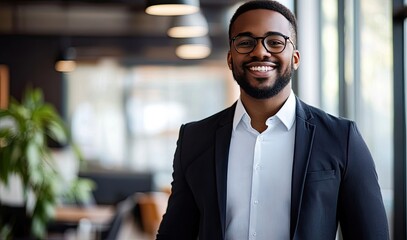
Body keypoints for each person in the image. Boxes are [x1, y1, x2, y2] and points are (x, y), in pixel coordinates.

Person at [156, 1, 390, 239]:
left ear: (296, 58)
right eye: (245, 43)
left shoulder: (342, 138)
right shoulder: (195, 139)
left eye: (275, 42)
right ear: (230, 59)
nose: (260, 52)